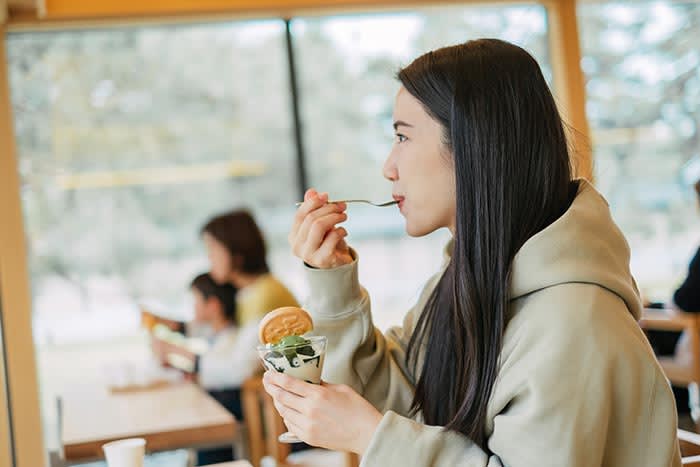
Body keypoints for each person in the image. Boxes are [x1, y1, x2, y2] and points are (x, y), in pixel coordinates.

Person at [263, 39, 681, 466]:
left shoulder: (575, 321)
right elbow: (401, 402)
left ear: (472, 144)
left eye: (402, 136)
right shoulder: (462, 282)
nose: (388, 166)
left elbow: (383, 426)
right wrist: (333, 280)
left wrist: (372, 437)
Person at [201, 209, 299, 325]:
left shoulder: (267, 294)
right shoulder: (246, 294)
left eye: (212, 248)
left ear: (235, 248)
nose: (209, 257)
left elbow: (246, 343)